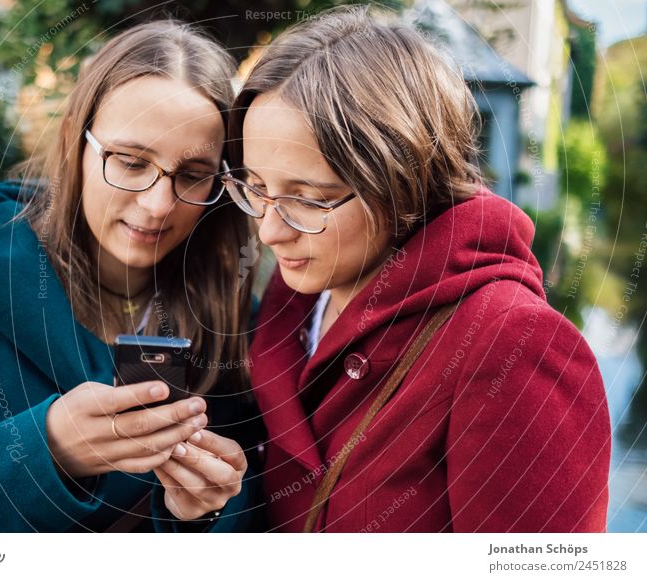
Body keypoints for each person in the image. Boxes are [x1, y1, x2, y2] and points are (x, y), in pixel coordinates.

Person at [0, 20, 262, 532]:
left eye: (194, 175)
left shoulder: (237, 319)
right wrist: (45, 452)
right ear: (74, 141)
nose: (157, 205)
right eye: (131, 162)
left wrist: (203, 513)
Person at [223, 5, 610, 532]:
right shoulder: (291, 303)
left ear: (401, 178)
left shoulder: (514, 343)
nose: (269, 231)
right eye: (256, 189)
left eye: (309, 199)